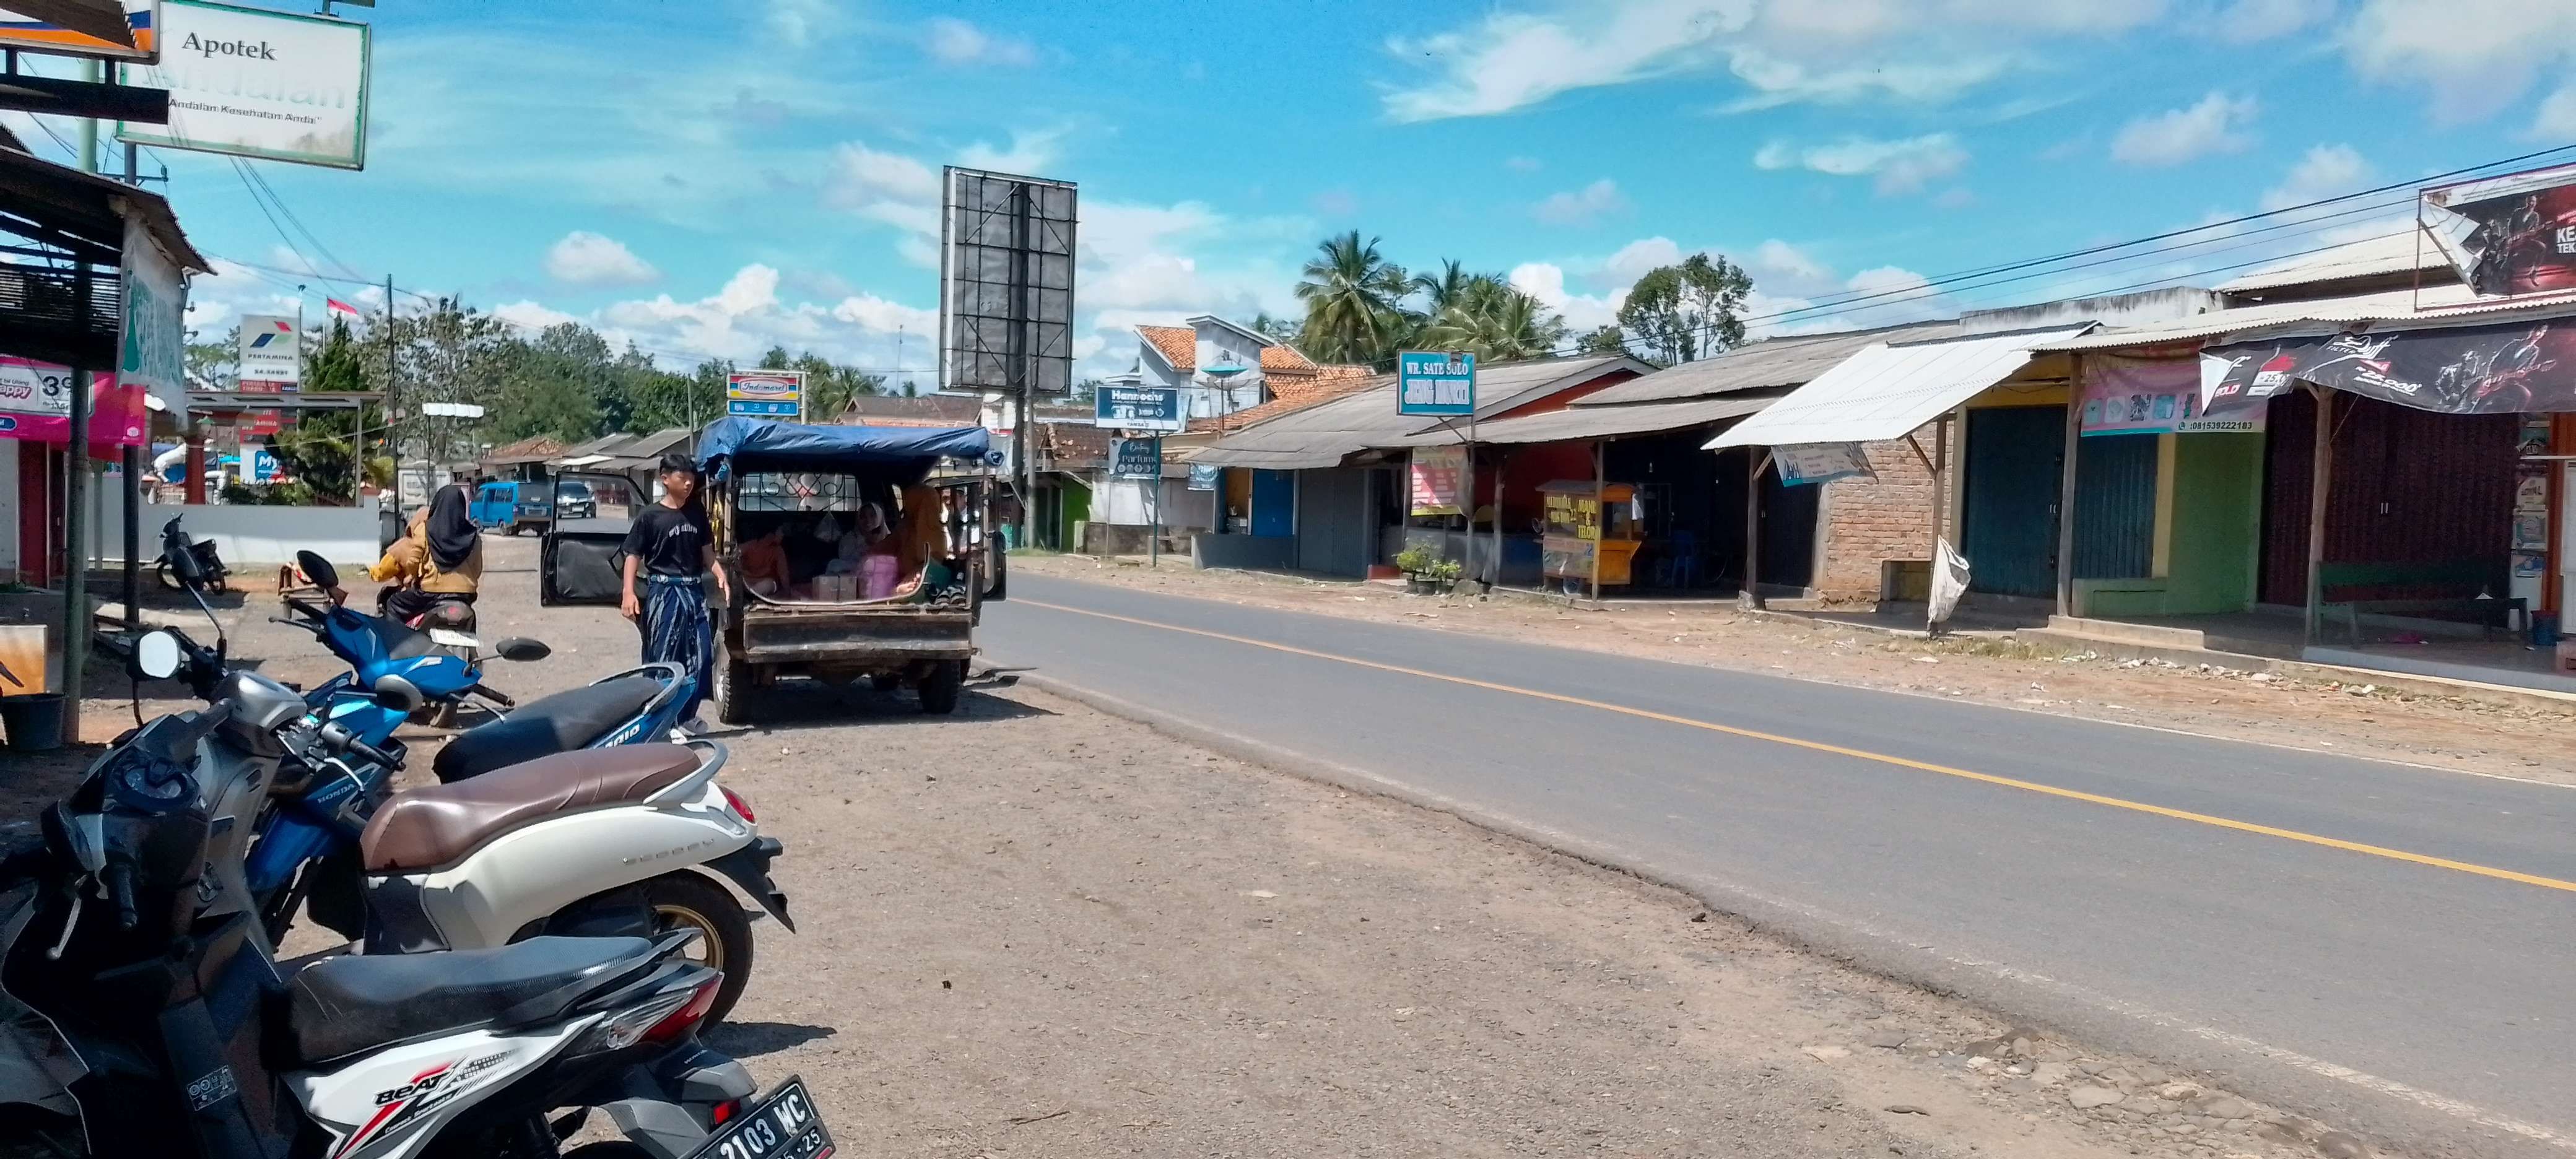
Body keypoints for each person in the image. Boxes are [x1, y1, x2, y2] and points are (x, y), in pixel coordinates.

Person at [622, 453, 731, 730]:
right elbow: (632, 556)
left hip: (694, 592)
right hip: (664, 592)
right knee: (664, 658)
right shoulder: (649, 517)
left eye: (691, 478)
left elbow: (708, 552)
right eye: (682, 478)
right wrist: (628, 593)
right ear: (665, 479)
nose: (688, 483)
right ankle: (663, 723)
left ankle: (685, 717)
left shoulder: (697, 514)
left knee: (702, 656)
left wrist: (720, 575)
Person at [368, 483, 481, 622]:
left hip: (431, 593)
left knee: (394, 603)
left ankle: (396, 636)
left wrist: (413, 577)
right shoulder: (474, 536)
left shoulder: (425, 529)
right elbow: (477, 569)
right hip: (465, 594)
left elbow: (413, 562)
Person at [740, 523, 790, 597]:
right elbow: (736, 554)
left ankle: (752, 593)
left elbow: (783, 574)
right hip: (747, 581)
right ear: (771, 533)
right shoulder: (751, 545)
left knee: (768, 584)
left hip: (765, 582)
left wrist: (788, 592)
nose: (783, 535)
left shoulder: (778, 550)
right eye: (781, 531)